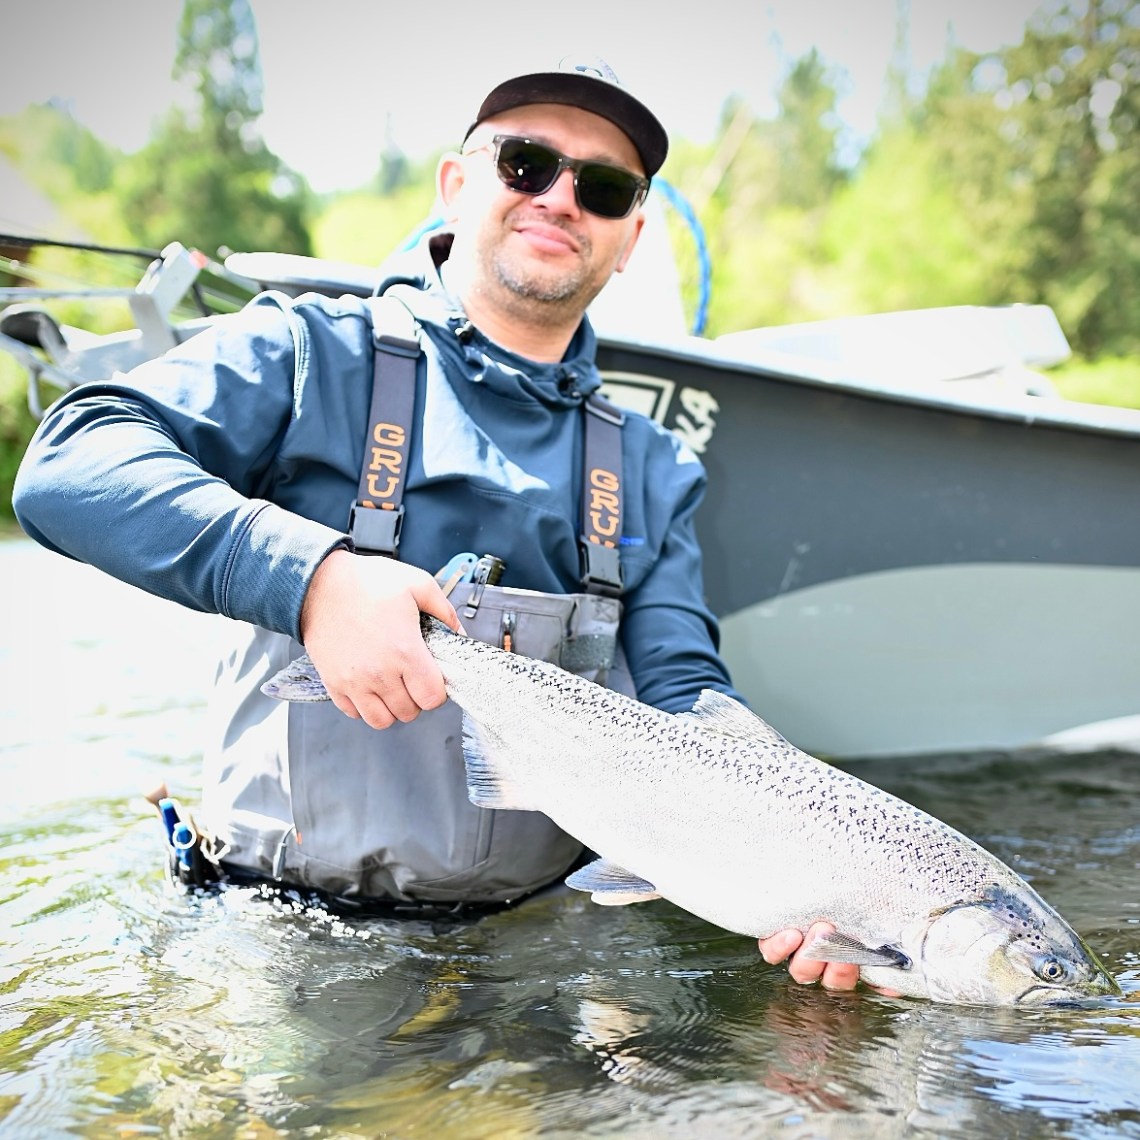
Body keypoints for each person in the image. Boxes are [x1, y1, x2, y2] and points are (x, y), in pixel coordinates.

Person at [13, 57, 859, 991]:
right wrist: (311, 579)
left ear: (630, 240)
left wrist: (811, 875)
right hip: (280, 943)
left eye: (605, 187)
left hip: (542, 957)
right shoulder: (302, 350)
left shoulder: (658, 468)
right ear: (458, 188)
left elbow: (685, 700)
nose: (561, 199)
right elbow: (69, 462)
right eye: (527, 164)